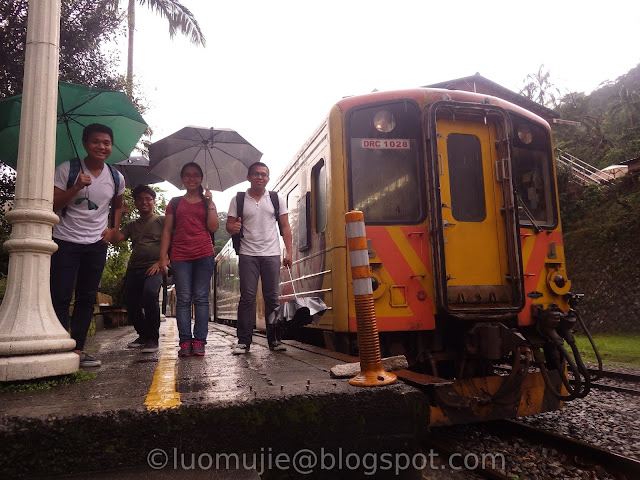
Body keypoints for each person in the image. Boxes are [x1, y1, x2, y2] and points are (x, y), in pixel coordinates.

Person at [51, 123, 125, 368]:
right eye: (95, 141)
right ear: (85, 144)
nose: (101, 146)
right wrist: (76, 187)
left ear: (111, 146)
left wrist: (114, 229)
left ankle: (78, 349)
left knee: (86, 297)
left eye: (106, 142)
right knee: (60, 295)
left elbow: (118, 205)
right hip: (64, 239)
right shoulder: (67, 169)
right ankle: (61, 347)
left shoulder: (115, 176)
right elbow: (52, 204)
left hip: (96, 242)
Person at [226, 162, 293, 354]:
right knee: (247, 297)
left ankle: (275, 340)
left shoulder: (275, 198)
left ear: (268, 179)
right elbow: (229, 226)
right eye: (256, 174)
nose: (260, 177)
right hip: (248, 254)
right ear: (248, 177)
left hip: (271, 253)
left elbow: (285, 227)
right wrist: (233, 228)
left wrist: (288, 252)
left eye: (264, 175)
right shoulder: (238, 199)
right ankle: (243, 342)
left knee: (272, 297)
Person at [158, 162, 219, 357]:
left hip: (204, 254)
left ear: (201, 179)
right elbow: (167, 231)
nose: (191, 178)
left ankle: (200, 340)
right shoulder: (174, 203)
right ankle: (185, 341)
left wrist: (210, 204)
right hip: (180, 255)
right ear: (182, 179)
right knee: (183, 299)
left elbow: (213, 228)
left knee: (201, 298)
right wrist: (162, 257)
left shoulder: (207, 202)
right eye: (187, 175)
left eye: (195, 175)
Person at [112, 185, 164, 353]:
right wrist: (118, 215)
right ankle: (142, 334)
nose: (144, 202)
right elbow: (116, 238)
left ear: (153, 202)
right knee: (131, 302)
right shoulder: (132, 225)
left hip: (154, 267)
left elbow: (173, 241)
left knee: (150, 295)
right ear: (135, 203)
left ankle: (152, 338)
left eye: (148, 199)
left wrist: (161, 262)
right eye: (140, 199)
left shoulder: (161, 221)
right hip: (134, 268)